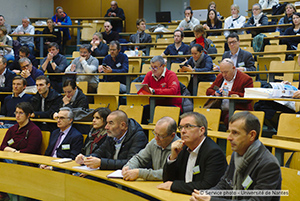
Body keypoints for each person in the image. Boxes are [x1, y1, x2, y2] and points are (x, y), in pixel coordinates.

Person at [190, 111, 281, 201]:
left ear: (252, 135)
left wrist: (211, 200)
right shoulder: (237, 153)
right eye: (229, 132)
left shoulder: (269, 165)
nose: (229, 137)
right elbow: (224, 185)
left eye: (235, 133)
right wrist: (203, 195)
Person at [157, 112, 227, 194]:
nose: (182, 131)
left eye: (187, 126)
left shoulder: (214, 153)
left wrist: (174, 186)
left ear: (201, 130)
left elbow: (207, 186)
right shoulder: (183, 148)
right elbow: (167, 181)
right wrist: (173, 157)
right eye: (181, 127)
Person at [75, 110, 147, 170]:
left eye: (110, 123)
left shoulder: (138, 137)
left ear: (123, 125)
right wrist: (85, 158)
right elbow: (99, 152)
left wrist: (101, 163)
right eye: (106, 123)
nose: (106, 127)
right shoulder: (111, 135)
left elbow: (131, 163)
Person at [122, 117, 180, 181]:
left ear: (172, 135)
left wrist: (140, 173)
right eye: (155, 133)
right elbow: (139, 158)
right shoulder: (154, 142)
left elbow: (167, 173)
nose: (156, 138)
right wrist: (128, 167)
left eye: (160, 136)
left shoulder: (179, 148)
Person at [206, 58, 253, 126]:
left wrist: (229, 93)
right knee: (204, 116)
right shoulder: (220, 77)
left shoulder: (246, 79)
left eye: (226, 72)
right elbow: (209, 91)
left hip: (238, 110)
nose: (224, 75)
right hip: (219, 108)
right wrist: (215, 93)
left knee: (229, 119)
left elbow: (249, 98)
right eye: (222, 72)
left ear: (234, 68)